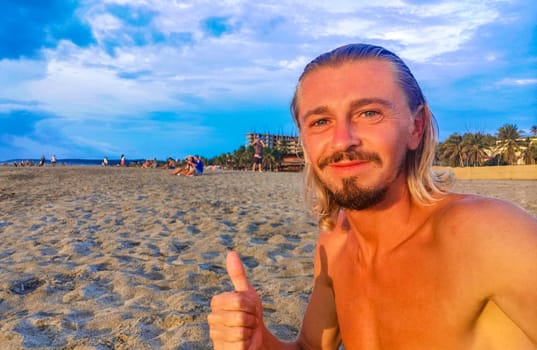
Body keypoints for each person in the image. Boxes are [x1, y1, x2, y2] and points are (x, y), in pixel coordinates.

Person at [208, 43, 537, 349]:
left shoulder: (485, 236)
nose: (342, 141)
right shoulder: (334, 245)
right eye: (321, 121)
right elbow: (310, 347)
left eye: (369, 113)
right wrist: (260, 340)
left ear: (416, 126)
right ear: (305, 141)